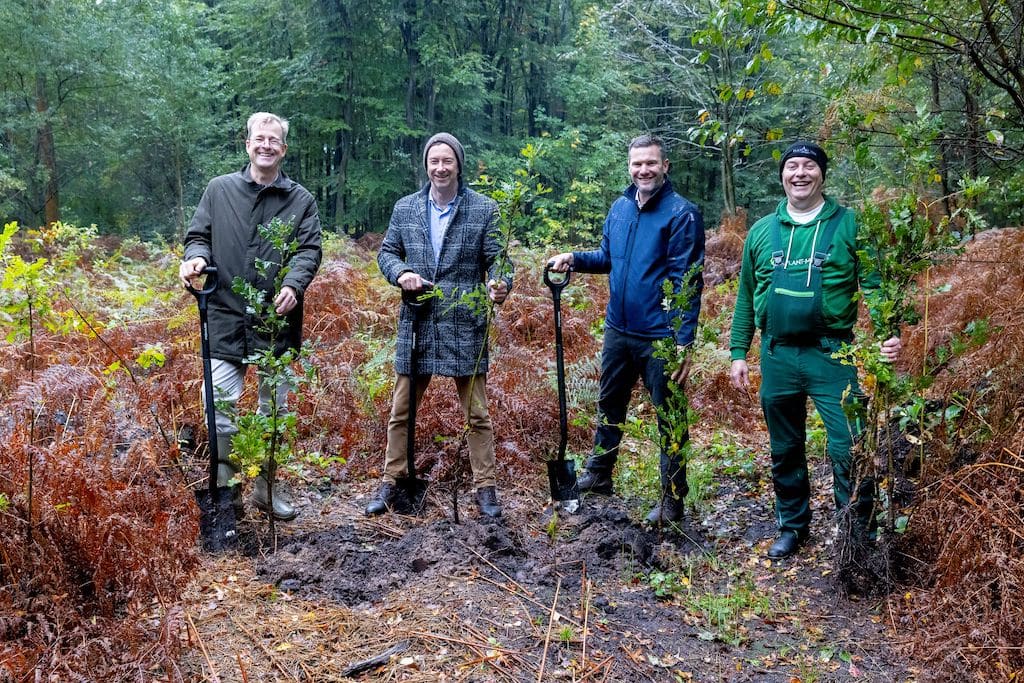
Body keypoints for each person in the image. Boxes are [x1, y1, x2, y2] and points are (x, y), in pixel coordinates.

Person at [729, 140, 901, 559]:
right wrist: (738, 352)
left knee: (849, 446)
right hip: (777, 355)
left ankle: (856, 535)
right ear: (782, 176)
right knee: (785, 448)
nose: (800, 174)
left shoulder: (850, 225)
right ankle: (792, 527)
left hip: (832, 355)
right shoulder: (761, 231)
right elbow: (746, 295)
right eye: (792, 166)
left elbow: (875, 284)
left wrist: (889, 332)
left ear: (822, 174)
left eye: (809, 166)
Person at [548, 134, 705, 524]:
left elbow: (687, 281)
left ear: (665, 166)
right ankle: (600, 473)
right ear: (629, 166)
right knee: (610, 404)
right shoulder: (620, 208)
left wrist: (684, 339)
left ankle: (672, 499)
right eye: (637, 163)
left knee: (669, 417)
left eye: (651, 163)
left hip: (661, 336)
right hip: (619, 330)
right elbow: (608, 258)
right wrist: (574, 258)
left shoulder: (681, 214)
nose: (643, 170)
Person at [179, 112, 322, 522]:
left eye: (274, 140)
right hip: (224, 315)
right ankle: (228, 491)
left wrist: (293, 284)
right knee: (217, 404)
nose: (266, 145)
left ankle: (266, 487)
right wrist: (196, 259)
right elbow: (198, 236)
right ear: (247, 144)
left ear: (283, 149)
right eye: (260, 138)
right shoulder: (219, 190)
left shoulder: (300, 200)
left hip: (277, 322)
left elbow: (309, 250)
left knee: (273, 412)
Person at [366, 132, 512, 518]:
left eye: (448, 161)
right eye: (434, 161)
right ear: (426, 165)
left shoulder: (484, 209)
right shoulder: (406, 208)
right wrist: (402, 274)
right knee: (402, 410)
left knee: (477, 414)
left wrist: (500, 283)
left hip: (464, 323)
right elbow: (387, 253)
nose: (441, 168)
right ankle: (391, 481)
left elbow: (499, 259)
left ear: (459, 165)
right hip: (418, 321)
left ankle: (486, 488)